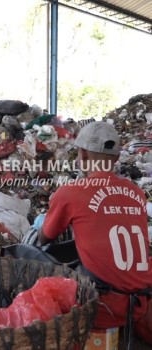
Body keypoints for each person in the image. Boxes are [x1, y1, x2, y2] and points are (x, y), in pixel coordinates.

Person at [37, 121, 152, 348]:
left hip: (105, 307)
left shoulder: (71, 192)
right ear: (117, 159)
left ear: (82, 156)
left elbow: (44, 239)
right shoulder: (137, 192)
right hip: (143, 302)